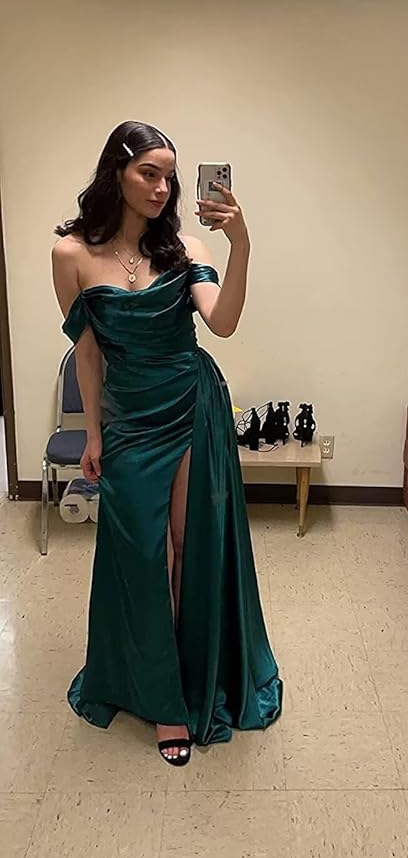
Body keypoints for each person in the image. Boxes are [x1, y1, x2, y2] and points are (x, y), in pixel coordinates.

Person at [52, 121, 282, 766]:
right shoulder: (71, 254)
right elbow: (88, 352)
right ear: (117, 172)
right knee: (139, 554)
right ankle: (151, 684)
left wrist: (241, 244)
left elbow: (223, 323)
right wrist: (93, 431)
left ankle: (177, 694)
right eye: (148, 173)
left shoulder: (183, 247)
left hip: (191, 402)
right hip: (129, 416)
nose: (161, 188)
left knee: (185, 546)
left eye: (169, 176)